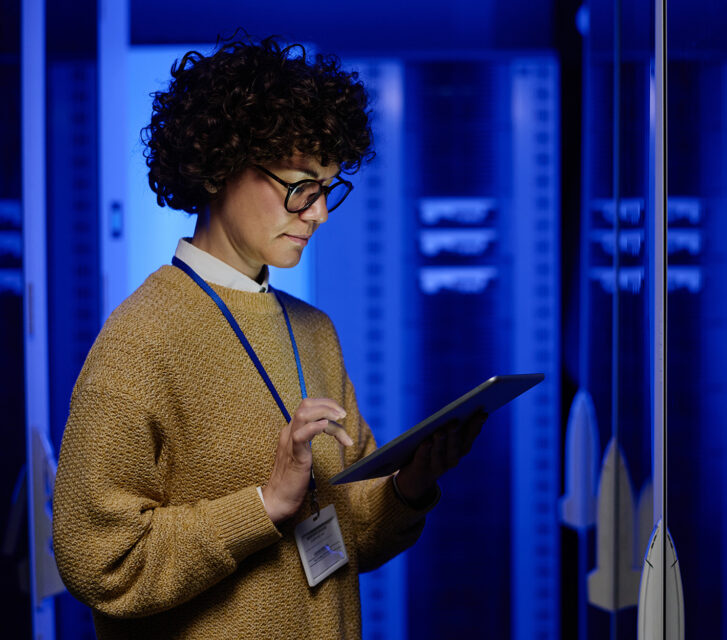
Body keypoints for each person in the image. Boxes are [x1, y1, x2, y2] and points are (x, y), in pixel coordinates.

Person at [52, 36, 483, 639]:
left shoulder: (314, 331)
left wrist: (410, 485)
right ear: (221, 165)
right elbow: (98, 560)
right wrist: (263, 506)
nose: (319, 212)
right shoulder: (139, 339)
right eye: (300, 186)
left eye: (329, 187)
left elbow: (346, 533)